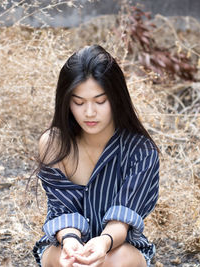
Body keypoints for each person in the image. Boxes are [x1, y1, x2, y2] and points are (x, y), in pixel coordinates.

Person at [32, 45, 160, 267]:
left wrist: (103, 243)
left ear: (116, 98)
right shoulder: (54, 144)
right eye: (78, 102)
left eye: (100, 101)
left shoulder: (141, 150)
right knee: (67, 262)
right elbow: (62, 209)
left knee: (113, 262)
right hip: (65, 240)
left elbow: (123, 219)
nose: (89, 112)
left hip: (119, 247)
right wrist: (71, 243)